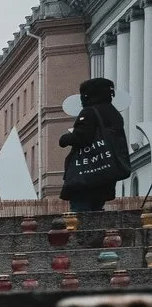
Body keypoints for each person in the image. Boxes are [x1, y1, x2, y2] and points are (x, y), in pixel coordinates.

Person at [59, 75, 129, 214]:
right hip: (106, 170)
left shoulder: (90, 111)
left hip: (86, 175)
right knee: (96, 210)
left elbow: (83, 136)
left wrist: (65, 139)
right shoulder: (114, 113)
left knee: (81, 212)